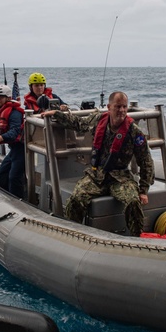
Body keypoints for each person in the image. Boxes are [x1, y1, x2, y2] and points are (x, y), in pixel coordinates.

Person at [41, 91, 154, 235]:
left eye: (124, 107)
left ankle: (137, 236)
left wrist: (144, 190)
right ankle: (74, 232)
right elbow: (79, 124)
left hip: (120, 178)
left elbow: (145, 160)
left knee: (133, 201)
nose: (122, 111)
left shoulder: (134, 132)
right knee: (76, 199)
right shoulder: (98, 119)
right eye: (118, 107)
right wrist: (56, 114)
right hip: (96, 175)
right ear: (109, 107)